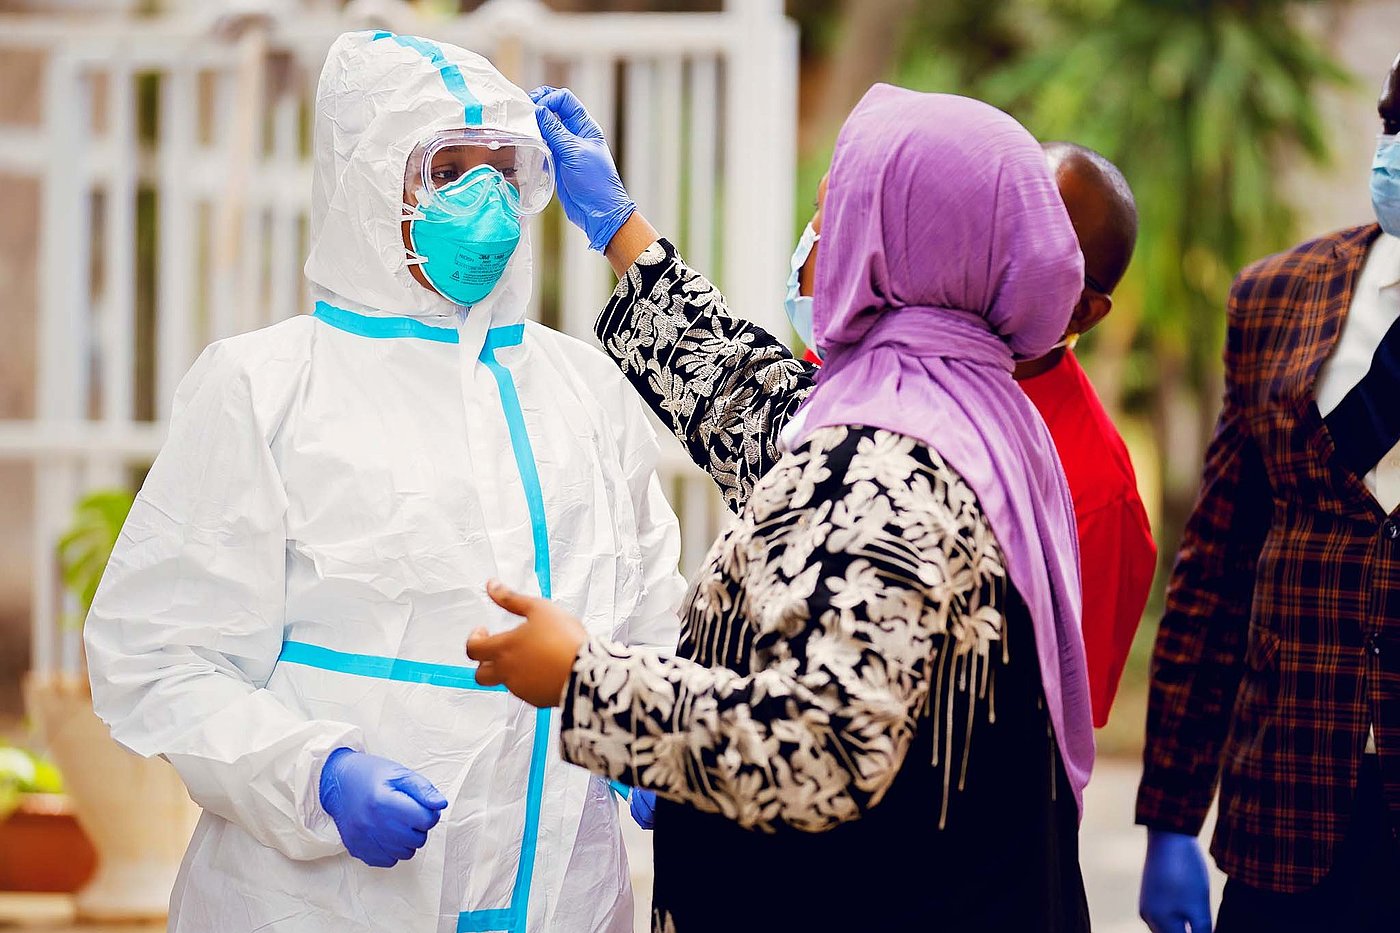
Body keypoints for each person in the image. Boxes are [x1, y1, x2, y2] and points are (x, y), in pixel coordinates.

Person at [84, 31, 684, 933]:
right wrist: (315, 776)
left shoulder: (583, 391)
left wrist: (654, 741)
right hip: (318, 905)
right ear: (371, 180)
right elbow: (161, 659)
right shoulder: (266, 387)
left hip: (570, 899)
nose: (484, 199)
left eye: (501, 169)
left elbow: (654, 615)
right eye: (447, 169)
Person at [467, 83, 1095, 932]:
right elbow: (750, 401)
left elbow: (821, 747)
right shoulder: (960, 411)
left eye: (835, 215)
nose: (813, 244)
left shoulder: (894, 467)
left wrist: (589, 681)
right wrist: (620, 229)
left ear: (905, 243)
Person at [1137, 52, 1400, 933]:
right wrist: (1172, 815)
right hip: (1287, 817)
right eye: (1394, 126)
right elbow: (1215, 564)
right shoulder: (1278, 295)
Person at [785, 143, 1156, 729]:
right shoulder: (894, 340)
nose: (994, 250)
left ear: (1085, 310)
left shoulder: (1097, 492)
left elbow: (1055, 720)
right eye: (998, 220)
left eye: (1033, 249)